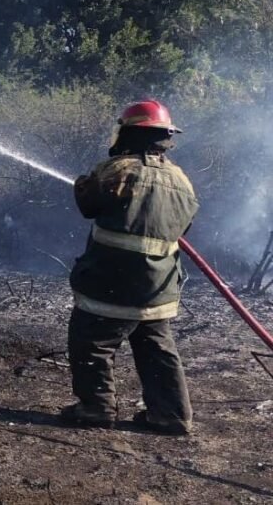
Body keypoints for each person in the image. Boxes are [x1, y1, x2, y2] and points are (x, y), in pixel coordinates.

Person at [60, 100, 199, 435]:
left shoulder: (118, 169)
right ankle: (171, 415)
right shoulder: (181, 180)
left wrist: (83, 182)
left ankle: (95, 407)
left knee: (90, 341)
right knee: (156, 347)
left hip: (112, 282)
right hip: (159, 288)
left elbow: (88, 205)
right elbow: (185, 226)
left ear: (129, 133)